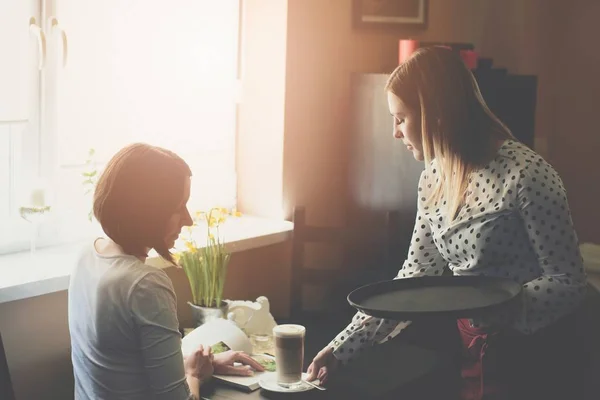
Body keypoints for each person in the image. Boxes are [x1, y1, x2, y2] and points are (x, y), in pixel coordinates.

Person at [306, 47, 587, 399]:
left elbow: (569, 281)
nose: (395, 133)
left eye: (401, 118)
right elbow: (413, 279)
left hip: (535, 355)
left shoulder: (527, 174)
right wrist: (340, 349)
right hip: (471, 349)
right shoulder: (432, 178)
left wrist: (499, 309)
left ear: (435, 115)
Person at [68, 143, 264, 400]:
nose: (188, 219)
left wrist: (207, 362)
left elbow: (124, 362)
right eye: (177, 207)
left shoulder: (87, 255)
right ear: (148, 211)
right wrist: (193, 375)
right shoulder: (144, 284)